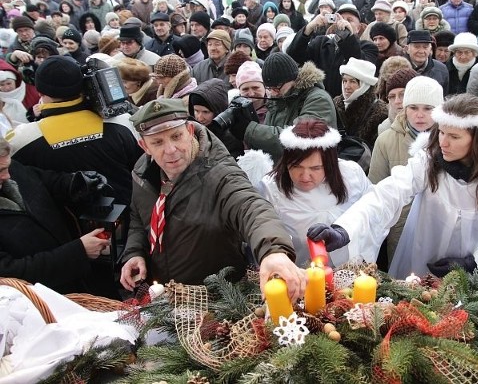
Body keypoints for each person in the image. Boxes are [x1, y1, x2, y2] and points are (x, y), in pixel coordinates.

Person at [307, 94, 478, 278]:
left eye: (454, 137)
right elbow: (389, 193)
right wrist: (345, 228)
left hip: (471, 277)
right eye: (442, 132)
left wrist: (474, 263)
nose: (443, 142)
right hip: (419, 262)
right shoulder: (429, 160)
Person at [120, 98, 305, 300]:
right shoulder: (142, 170)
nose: (171, 150)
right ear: (144, 146)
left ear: (190, 132)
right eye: (157, 142)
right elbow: (138, 217)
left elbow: (250, 206)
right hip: (164, 298)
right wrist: (134, 252)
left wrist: (274, 251)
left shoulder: (220, 173)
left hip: (215, 303)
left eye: (176, 136)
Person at [6, 56, 141, 206]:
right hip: (132, 219)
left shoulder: (21, 139)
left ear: (40, 92)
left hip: (65, 227)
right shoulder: (122, 122)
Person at [0, 137, 114, 294]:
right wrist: (78, 252)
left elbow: (42, 181)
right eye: (0, 171)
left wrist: (77, 183)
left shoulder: (10, 169)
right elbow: (11, 273)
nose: (7, 176)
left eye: (7, 167)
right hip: (44, 302)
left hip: (81, 283)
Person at [257, 119, 373, 267]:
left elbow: (372, 214)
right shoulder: (270, 189)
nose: (305, 177)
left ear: (330, 164)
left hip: (352, 272)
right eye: (296, 166)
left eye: (316, 168)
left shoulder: (352, 174)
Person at [369, 76, 444, 268]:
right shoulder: (386, 140)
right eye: (413, 107)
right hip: (400, 228)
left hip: (439, 227)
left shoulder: (450, 140)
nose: (420, 115)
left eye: (428, 108)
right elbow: (375, 190)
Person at [229, 52, 337, 163]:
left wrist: (250, 130)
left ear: (293, 79)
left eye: (277, 87)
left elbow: (298, 139)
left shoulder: (318, 99)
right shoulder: (278, 99)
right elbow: (269, 148)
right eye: (269, 88)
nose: (274, 93)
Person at [287, 4, 377, 98]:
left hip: (351, 103)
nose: (344, 22)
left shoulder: (368, 47)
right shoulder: (320, 43)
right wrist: (309, 27)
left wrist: (348, 37)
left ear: (358, 28)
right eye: (340, 19)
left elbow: (360, 65)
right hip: (320, 102)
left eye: (349, 20)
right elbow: (293, 55)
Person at [333, 58, 387, 150]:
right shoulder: (336, 103)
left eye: (352, 81)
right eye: (345, 81)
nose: (346, 86)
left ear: (364, 85)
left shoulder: (379, 112)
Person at [188, 78, 244, 159]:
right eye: (196, 111)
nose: (199, 117)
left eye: (205, 112)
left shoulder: (232, 138)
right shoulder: (190, 130)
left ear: (218, 110)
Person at [403, 30, 449, 95]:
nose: (421, 51)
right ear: (407, 49)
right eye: (417, 47)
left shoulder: (441, 69)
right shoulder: (398, 68)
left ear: (430, 50)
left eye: (425, 47)